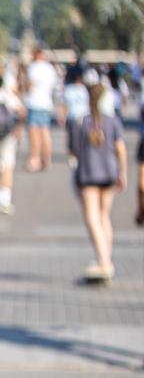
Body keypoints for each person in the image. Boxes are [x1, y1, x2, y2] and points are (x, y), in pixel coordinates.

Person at [67, 84, 128, 283]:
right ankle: (105, 259)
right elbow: (121, 149)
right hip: (109, 173)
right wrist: (123, 172)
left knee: (92, 218)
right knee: (104, 217)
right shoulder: (112, 122)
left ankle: (103, 261)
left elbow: (74, 151)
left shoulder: (81, 123)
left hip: (88, 174)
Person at [0, 75, 26, 214]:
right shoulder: (9, 96)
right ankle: (5, 197)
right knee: (8, 165)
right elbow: (22, 112)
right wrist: (19, 128)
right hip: (8, 135)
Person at [24, 49, 58, 172]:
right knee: (45, 132)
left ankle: (35, 158)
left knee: (34, 134)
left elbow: (30, 85)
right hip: (46, 103)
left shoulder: (34, 67)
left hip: (34, 102)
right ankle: (47, 159)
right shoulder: (50, 68)